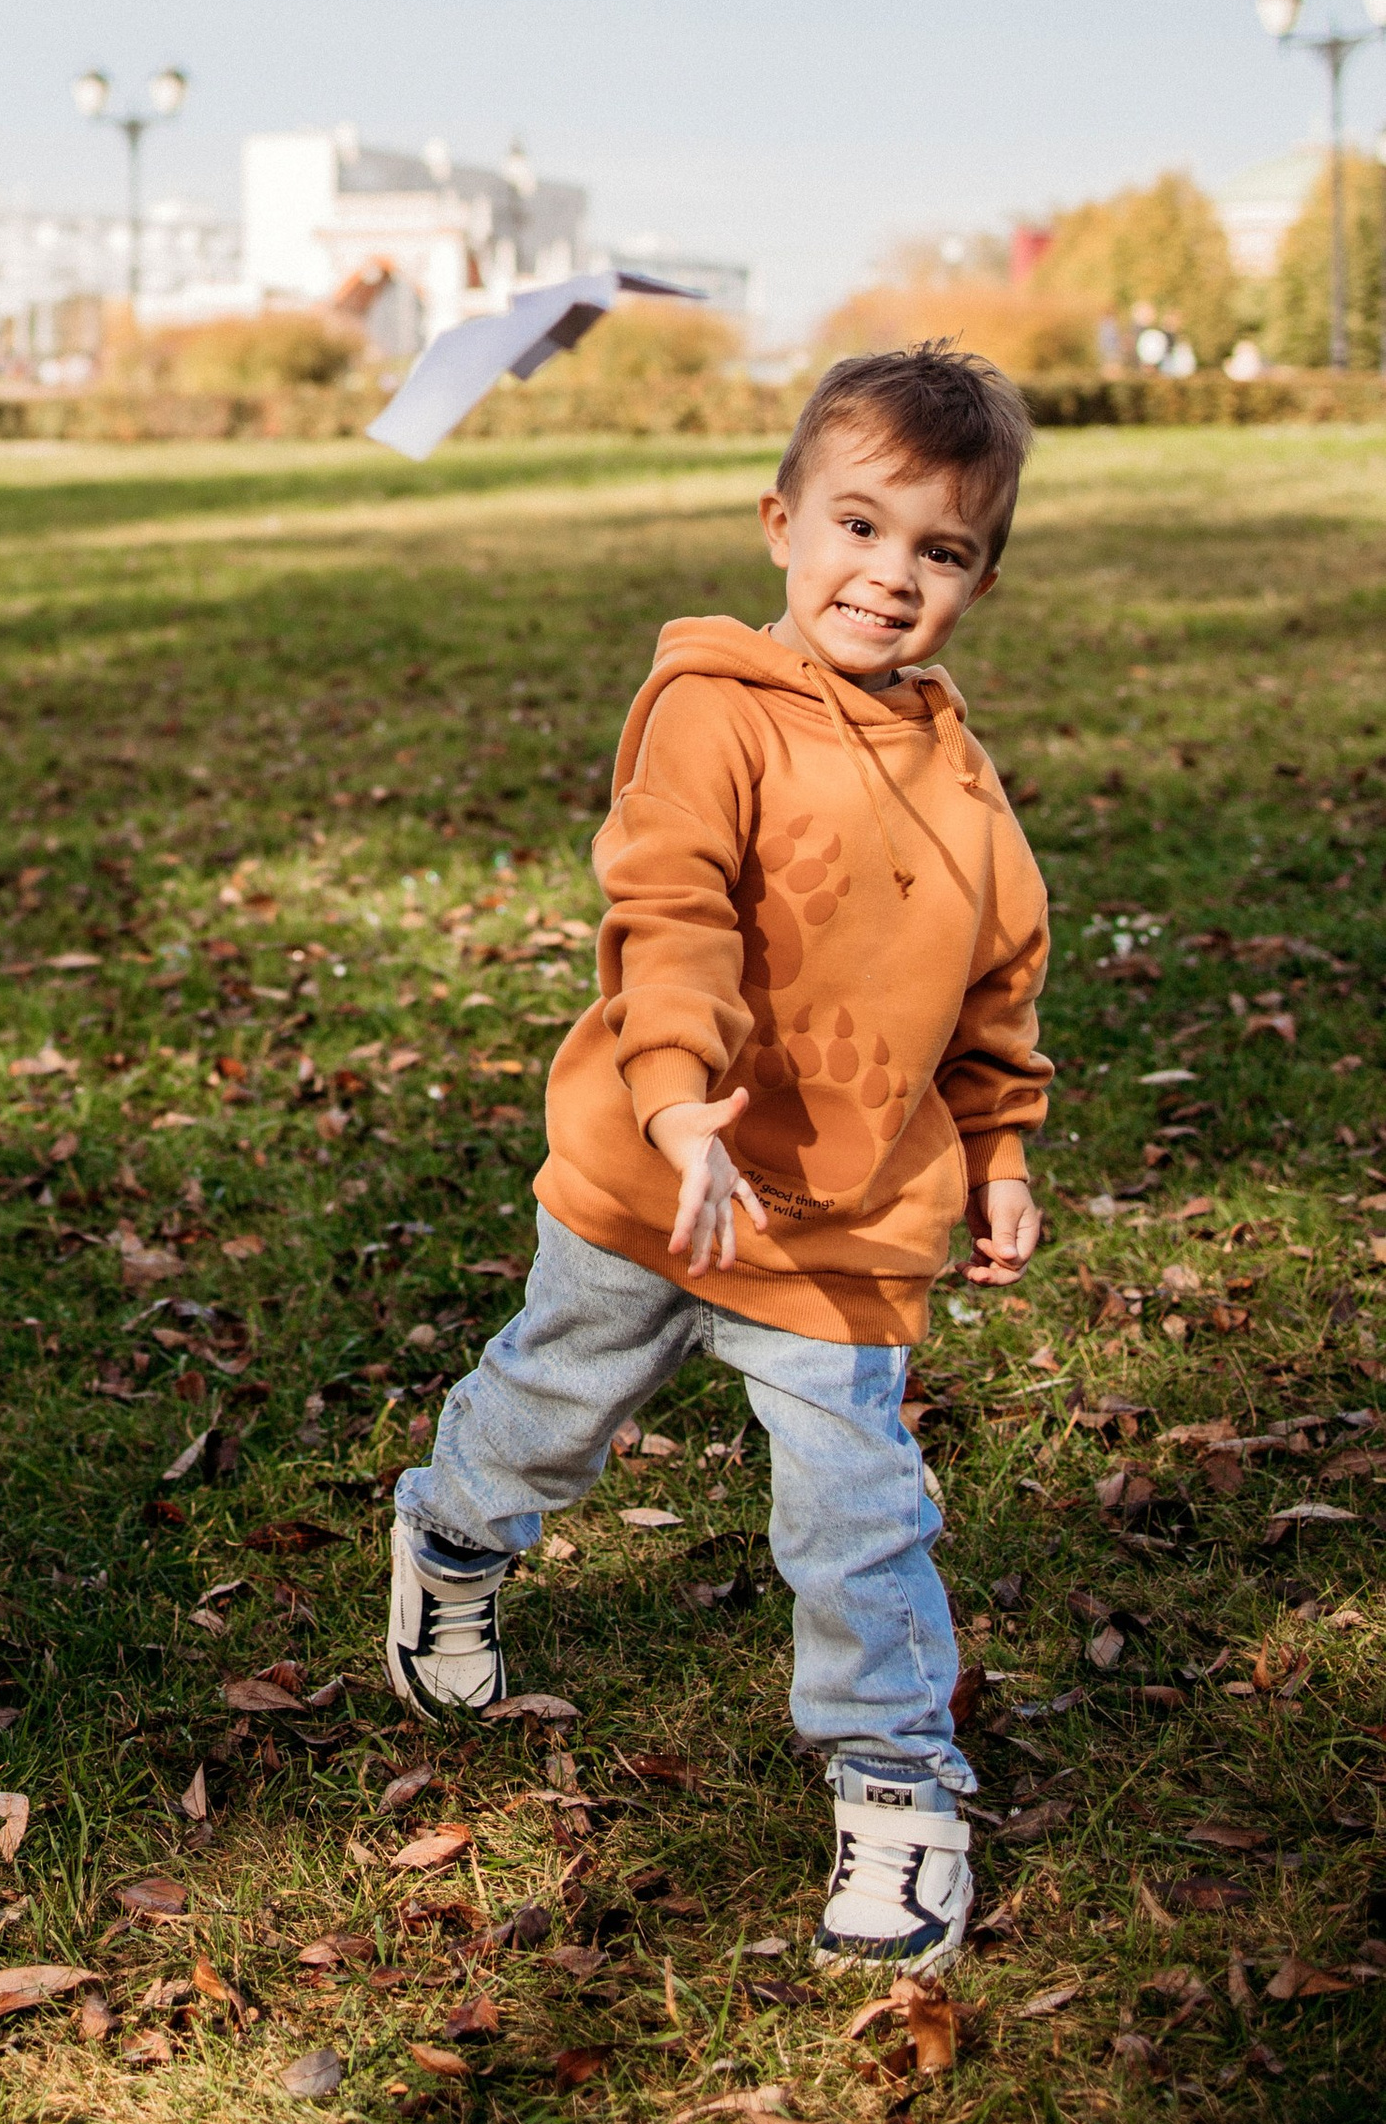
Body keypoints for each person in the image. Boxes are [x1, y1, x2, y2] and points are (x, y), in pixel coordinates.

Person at [384, 344, 1049, 1973]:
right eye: (860, 526)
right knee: (553, 1411)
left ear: (980, 578)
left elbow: (995, 999)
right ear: (780, 522)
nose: (888, 578)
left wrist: (1003, 1150)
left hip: (843, 1224)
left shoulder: (970, 795)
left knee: (858, 1515)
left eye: (939, 550)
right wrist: (677, 1097)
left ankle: (899, 1790)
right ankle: (454, 1539)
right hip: (648, 1182)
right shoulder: (710, 712)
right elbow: (666, 913)